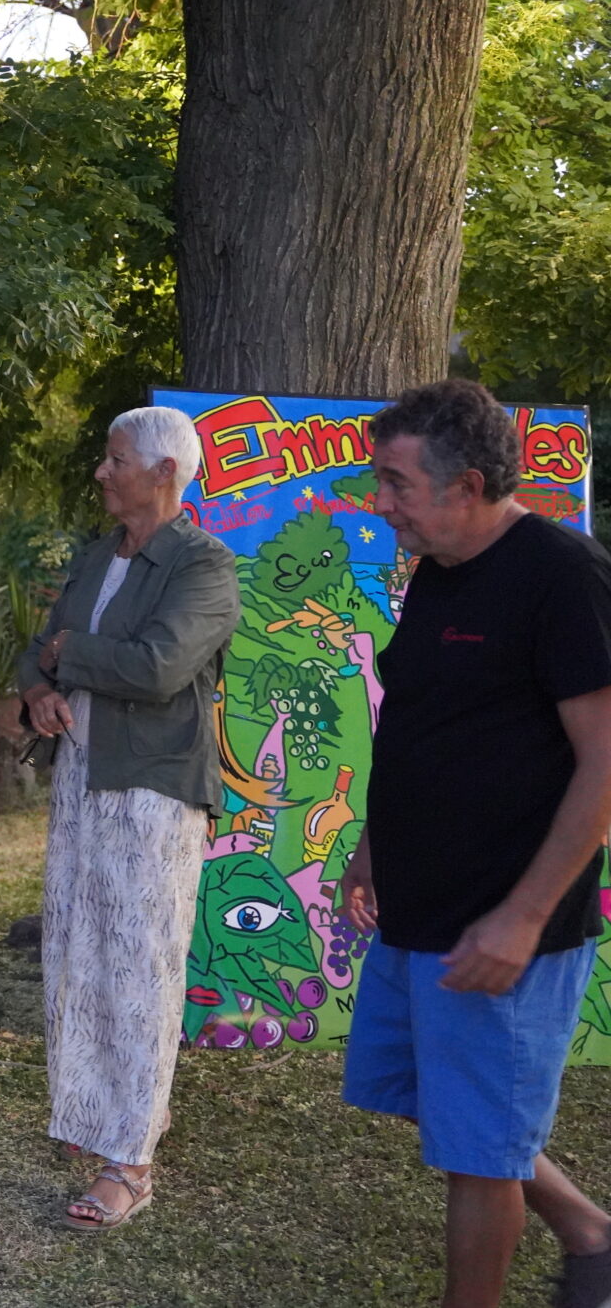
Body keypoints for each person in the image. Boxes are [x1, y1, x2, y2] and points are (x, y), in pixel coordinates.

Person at [338, 379, 611, 1308]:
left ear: (469, 485)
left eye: (397, 483)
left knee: (478, 1152)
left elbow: (604, 760)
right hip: (422, 902)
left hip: (503, 920)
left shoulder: (564, 575)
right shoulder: (440, 570)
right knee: (444, 1099)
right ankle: (591, 1231)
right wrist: (374, 843)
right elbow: (423, 721)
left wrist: (524, 917)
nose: (380, 502)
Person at [18, 405, 241, 1231]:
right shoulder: (95, 555)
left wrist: (67, 656)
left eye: (116, 460)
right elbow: (39, 645)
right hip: (81, 780)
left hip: (152, 787)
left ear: (164, 473)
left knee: (140, 964)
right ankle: (107, 1114)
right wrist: (38, 687)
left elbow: (157, 667)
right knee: (78, 952)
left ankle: (131, 1164)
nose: (101, 473)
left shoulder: (203, 563)